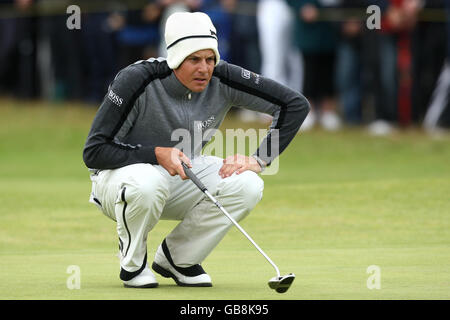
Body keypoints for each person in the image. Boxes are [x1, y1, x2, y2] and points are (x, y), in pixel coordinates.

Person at [82, 11, 310, 288]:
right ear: (176, 57)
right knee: (147, 182)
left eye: (210, 59)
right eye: (194, 59)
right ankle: (133, 265)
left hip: (179, 174)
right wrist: (156, 153)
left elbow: (294, 104)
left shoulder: (222, 77)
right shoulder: (137, 79)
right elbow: (94, 152)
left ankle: (177, 258)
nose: (204, 68)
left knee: (248, 184)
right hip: (118, 182)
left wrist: (260, 159)